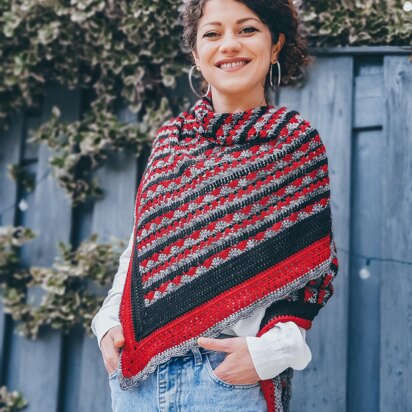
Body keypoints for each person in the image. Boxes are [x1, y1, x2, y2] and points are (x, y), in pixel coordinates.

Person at [91, 0, 339, 411]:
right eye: (212, 33)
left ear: (275, 44)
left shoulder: (294, 143)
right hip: (139, 379)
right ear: (195, 53)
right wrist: (107, 323)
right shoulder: (171, 142)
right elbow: (140, 252)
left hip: (224, 382)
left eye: (247, 30)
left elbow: (313, 273)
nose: (229, 44)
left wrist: (266, 356)